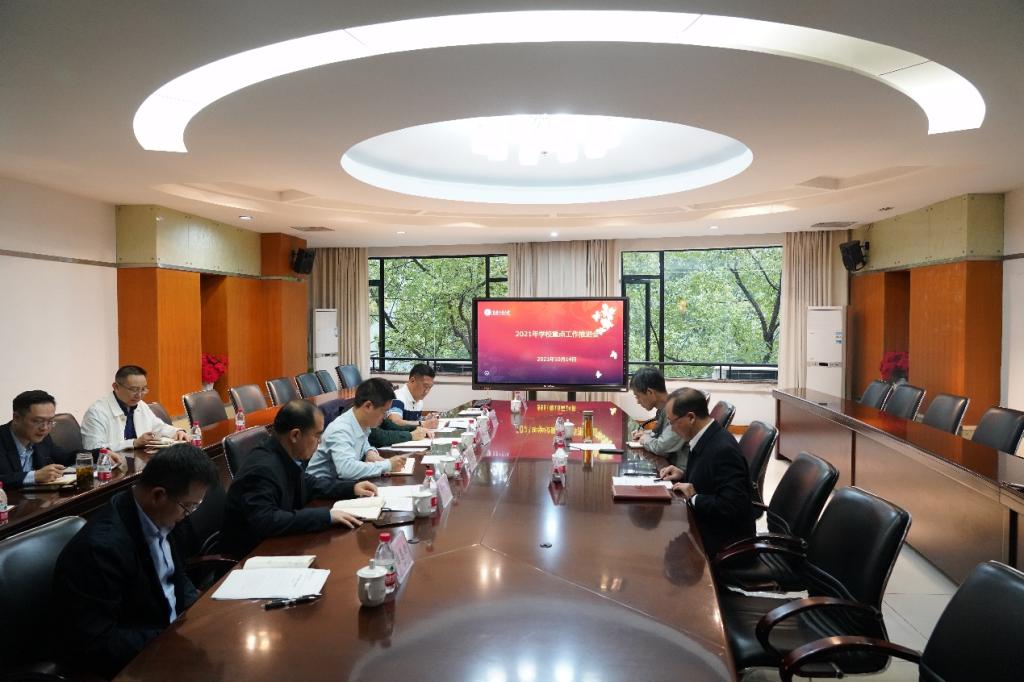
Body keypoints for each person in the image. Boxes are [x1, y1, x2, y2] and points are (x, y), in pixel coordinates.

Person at [53, 444, 218, 679]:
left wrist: (200, 613)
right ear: (158, 495)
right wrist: (174, 638)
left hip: (171, 639)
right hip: (133, 663)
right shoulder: (100, 549)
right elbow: (97, 642)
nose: (188, 514)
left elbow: (175, 574)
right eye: (189, 506)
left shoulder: (162, 516)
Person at [220, 400, 377, 558]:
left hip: (276, 545)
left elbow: (309, 483)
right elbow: (267, 520)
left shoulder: (283, 454)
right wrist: (327, 516)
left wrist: (351, 488)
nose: (320, 441)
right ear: (295, 435)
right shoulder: (262, 469)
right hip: (250, 557)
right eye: (317, 435)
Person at [657, 388, 754, 556]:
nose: (672, 429)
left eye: (672, 423)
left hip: (726, 544)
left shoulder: (722, 450)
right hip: (708, 526)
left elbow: (733, 505)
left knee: (661, 537)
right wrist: (683, 474)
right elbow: (711, 479)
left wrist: (694, 497)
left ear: (691, 417)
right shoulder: (705, 436)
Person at [307, 378, 407, 483]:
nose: (384, 417)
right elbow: (346, 470)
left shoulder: (361, 421)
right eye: (383, 411)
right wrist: (388, 465)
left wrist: (369, 451)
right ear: (368, 406)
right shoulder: (341, 430)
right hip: (320, 488)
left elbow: (362, 442)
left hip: (339, 484)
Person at [82, 365, 186, 452]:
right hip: (111, 467)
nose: (139, 395)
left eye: (143, 389)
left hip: (139, 461)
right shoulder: (97, 412)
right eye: (134, 390)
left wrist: (177, 432)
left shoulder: (140, 405)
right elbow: (93, 449)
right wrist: (133, 443)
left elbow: (157, 427)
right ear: (116, 387)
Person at [0, 390, 76, 489]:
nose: (45, 428)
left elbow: (66, 457)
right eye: (38, 421)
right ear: (16, 418)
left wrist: (95, 454)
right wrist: (34, 476)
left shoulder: (42, 438)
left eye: (50, 421)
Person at [628, 366, 687, 466]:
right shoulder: (664, 409)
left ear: (650, 392)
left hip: (678, 470)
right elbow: (663, 434)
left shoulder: (676, 409)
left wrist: (644, 439)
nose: (638, 401)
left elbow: (662, 447)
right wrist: (645, 433)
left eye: (638, 396)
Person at [386, 363, 438, 429]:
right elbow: (395, 421)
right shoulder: (398, 397)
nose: (427, 391)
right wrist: (421, 424)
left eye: (430, 387)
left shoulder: (419, 401)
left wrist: (425, 419)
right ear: (412, 380)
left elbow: (412, 422)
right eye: (425, 386)